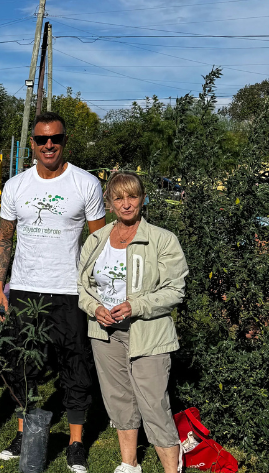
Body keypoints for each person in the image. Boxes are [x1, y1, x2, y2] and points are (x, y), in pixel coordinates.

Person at [0, 111, 107, 471]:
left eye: (55, 138)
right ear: (32, 143)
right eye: (41, 139)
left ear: (64, 140)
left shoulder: (86, 184)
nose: (48, 145)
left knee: (75, 364)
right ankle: (24, 433)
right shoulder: (16, 186)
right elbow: (5, 239)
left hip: (70, 291)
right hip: (25, 290)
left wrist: (98, 290)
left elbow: (99, 243)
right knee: (22, 365)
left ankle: (76, 442)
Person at [78, 172, 187, 473]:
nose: (126, 204)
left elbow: (175, 290)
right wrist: (94, 307)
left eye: (132, 196)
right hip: (104, 332)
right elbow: (83, 286)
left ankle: (171, 469)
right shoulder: (97, 240)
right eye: (118, 198)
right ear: (109, 203)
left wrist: (135, 306)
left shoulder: (162, 239)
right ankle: (129, 463)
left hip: (148, 333)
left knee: (154, 403)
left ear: (142, 199)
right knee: (119, 399)